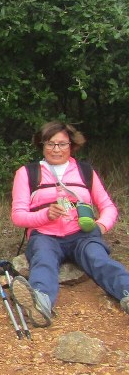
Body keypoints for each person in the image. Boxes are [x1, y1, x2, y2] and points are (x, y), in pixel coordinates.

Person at [9, 120, 129, 326]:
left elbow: (108, 207)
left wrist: (100, 227)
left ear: (72, 145)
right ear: (42, 145)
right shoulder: (27, 173)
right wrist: (45, 215)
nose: (56, 149)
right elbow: (18, 216)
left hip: (82, 234)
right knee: (43, 260)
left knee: (98, 258)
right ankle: (40, 303)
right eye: (50, 143)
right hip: (45, 235)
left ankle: (126, 291)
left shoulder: (85, 171)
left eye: (62, 144)